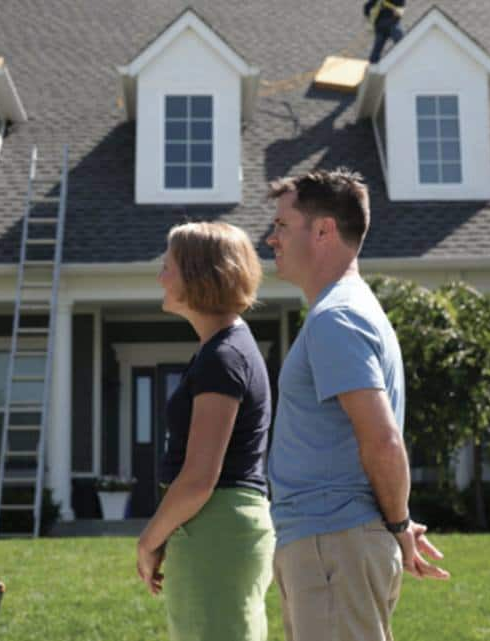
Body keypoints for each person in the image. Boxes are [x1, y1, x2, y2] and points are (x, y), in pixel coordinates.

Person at [265, 169, 449, 641]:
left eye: (282, 226)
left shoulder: (337, 318)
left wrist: (399, 521)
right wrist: (396, 523)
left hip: (333, 546)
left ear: (323, 230)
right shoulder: (342, 311)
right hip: (329, 546)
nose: (270, 239)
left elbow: (383, 439)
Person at [136, 222, 275, 641]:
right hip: (213, 526)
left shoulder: (225, 357)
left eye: (168, 267)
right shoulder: (222, 350)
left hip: (216, 526)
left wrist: (148, 541)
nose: (160, 277)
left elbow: (199, 478)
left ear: (199, 275)